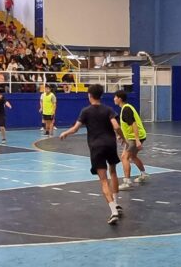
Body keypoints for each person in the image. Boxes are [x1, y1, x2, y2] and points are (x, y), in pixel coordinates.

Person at [59, 84, 124, 225]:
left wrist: (65, 133)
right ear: (101, 95)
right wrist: (122, 137)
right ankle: (117, 202)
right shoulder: (108, 110)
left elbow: (76, 128)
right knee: (113, 172)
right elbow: (117, 126)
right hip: (110, 145)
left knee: (103, 180)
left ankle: (113, 210)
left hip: (96, 147)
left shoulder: (86, 111)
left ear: (89, 95)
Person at [113, 89, 148, 189]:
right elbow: (127, 126)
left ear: (119, 98)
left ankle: (127, 182)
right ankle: (144, 174)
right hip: (137, 136)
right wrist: (122, 135)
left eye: (115, 97)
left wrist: (136, 140)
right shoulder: (126, 108)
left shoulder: (126, 109)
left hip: (135, 137)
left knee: (124, 157)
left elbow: (134, 124)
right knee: (132, 156)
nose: (114, 99)